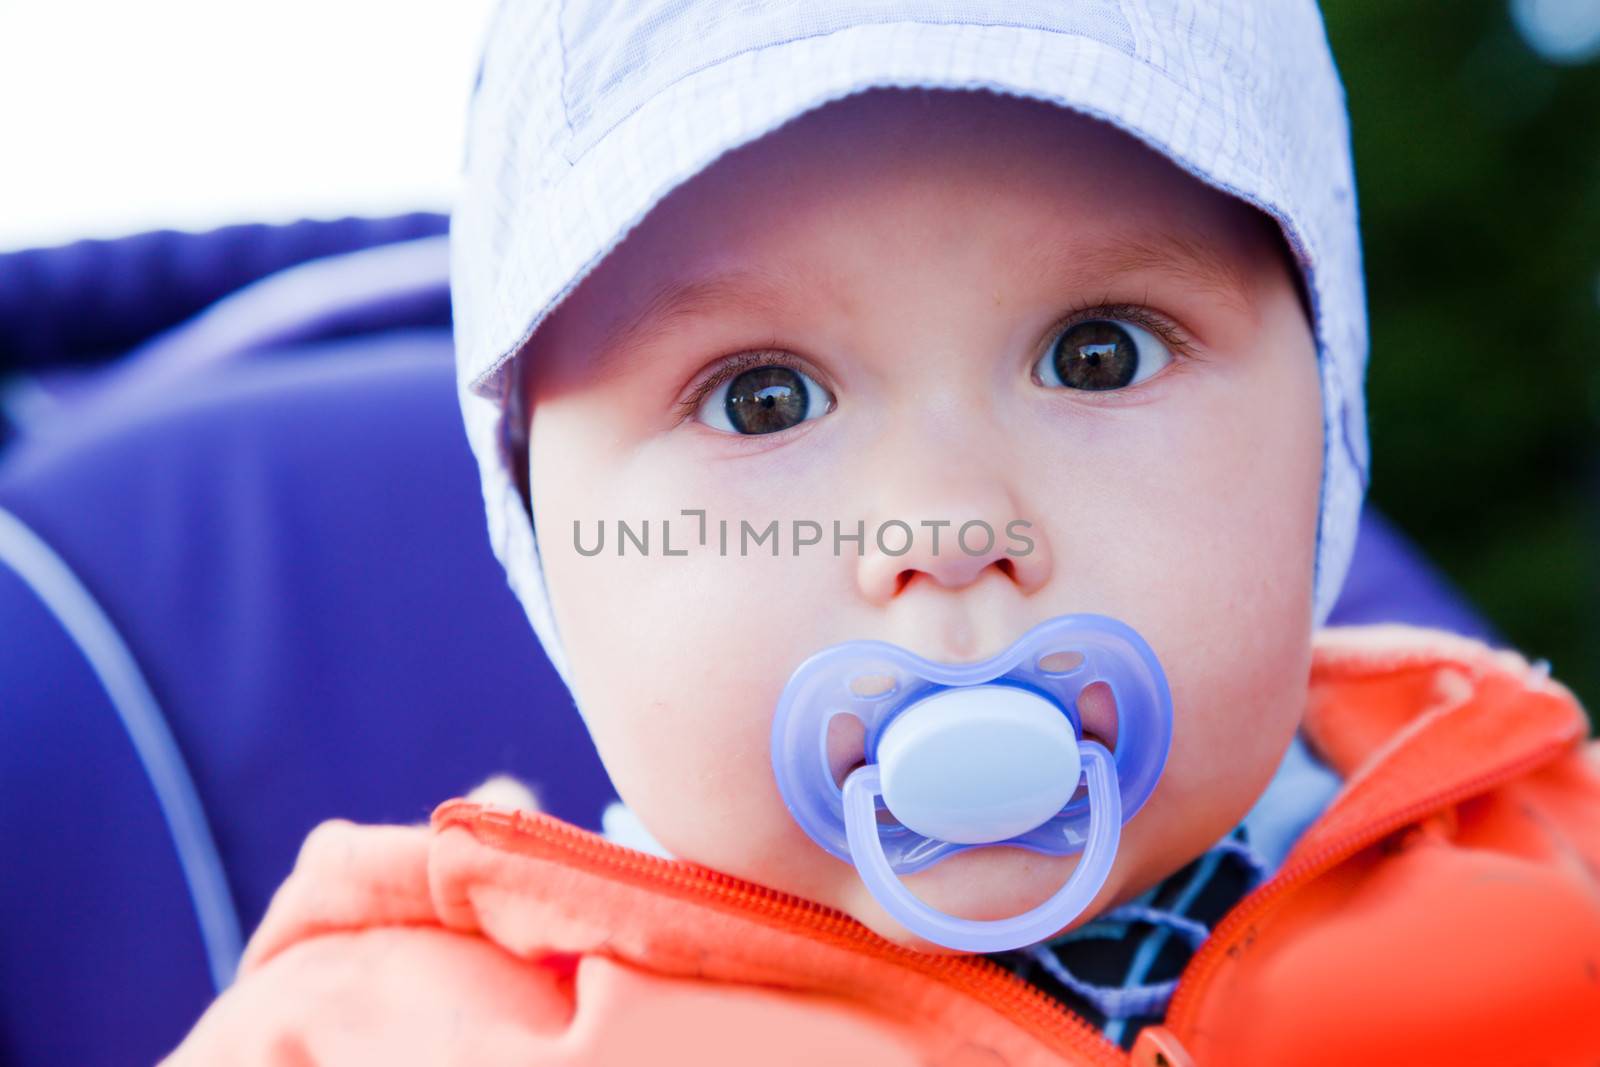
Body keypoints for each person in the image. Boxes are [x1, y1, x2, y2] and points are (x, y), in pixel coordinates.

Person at [164, 3, 1600, 1064]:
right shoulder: (392, 1040)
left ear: (1328, 436)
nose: (952, 526)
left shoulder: (1553, 856)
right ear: (541, 541)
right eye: (761, 397)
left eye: (1097, 354)